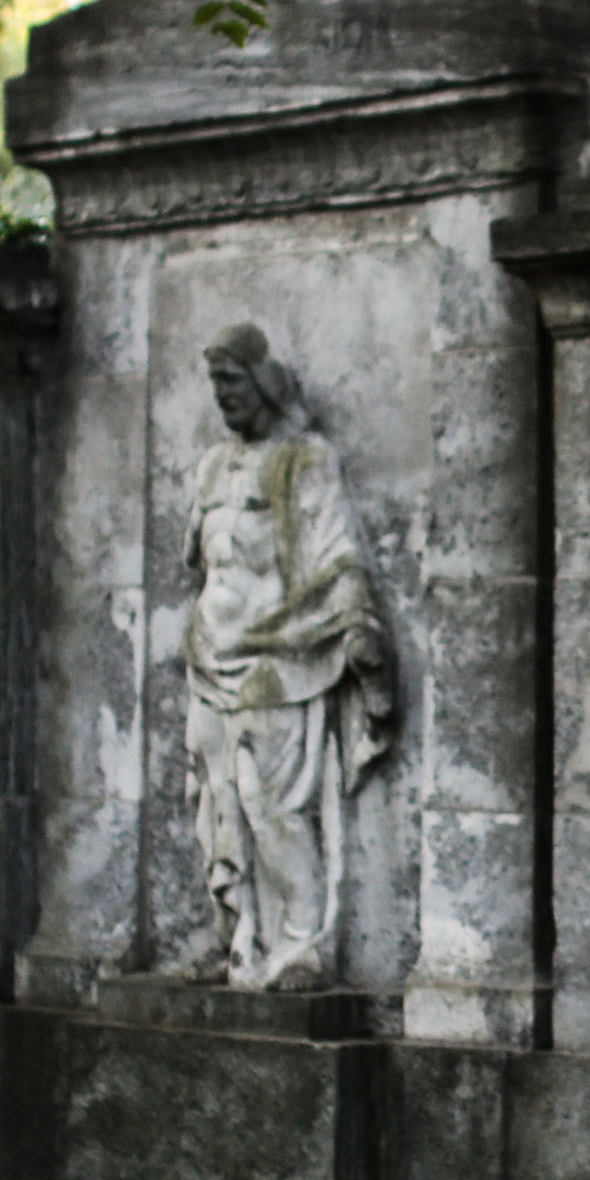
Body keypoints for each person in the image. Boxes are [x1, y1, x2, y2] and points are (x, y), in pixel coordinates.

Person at [178, 324, 394, 988]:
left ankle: (301, 945)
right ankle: (237, 939)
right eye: (215, 385)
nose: (223, 396)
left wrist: (359, 631)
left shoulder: (306, 458)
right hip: (210, 657)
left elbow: (339, 553)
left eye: (233, 382)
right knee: (216, 805)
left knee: (269, 803)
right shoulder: (212, 466)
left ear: (265, 382)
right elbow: (202, 563)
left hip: (279, 654)